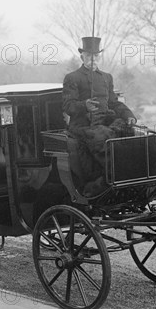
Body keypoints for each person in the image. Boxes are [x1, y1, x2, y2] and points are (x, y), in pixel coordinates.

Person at [62, 36, 137, 195]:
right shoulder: (72, 78)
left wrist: (128, 115)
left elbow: (114, 103)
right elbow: (68, 106)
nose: (93, 59)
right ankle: (106, 181)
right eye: (89, 55)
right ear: (82, 56)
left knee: (130, 133)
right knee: (103, 137)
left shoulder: (106, 77)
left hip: (104, 122)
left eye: (96, 56)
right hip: (83, 126)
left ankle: (130, 178)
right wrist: (85, 106)